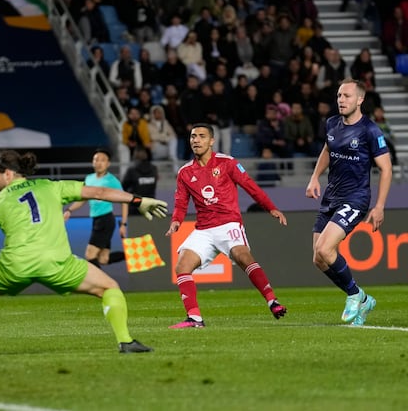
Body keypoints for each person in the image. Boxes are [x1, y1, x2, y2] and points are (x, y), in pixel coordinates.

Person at [0, 150, 168, 356]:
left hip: (14, 266)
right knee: (109, 287)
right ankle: (125, 341)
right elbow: (100, 193)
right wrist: (138, 200)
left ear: (8, 173)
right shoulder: (51, 186)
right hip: (58, 264)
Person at [165, 124, 289, 328]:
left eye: (201, 136)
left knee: (242, 255)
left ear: (211, 141)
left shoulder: (227, 163)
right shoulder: (185, 172)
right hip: (203, 229)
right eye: (193, 136)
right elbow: (180, 202)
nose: (196, 140)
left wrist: (271, 208)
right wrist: (176, 221)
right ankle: (195, 318)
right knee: (182, 266)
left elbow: (251, 186)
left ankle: (272, 301)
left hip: (228, 223)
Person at [305, 79, 392, 326]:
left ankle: (356, 295)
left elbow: (386, 169)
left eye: (347, 96)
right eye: (339, 96)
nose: (341, 100)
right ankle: (362, 300)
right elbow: (327, 150)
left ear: (360, 100)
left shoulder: (370, 131)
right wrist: (314, 177)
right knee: (318, 259)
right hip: (330, 197)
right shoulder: (332, 123)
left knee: (324, 249)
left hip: (355, 199)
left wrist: (379, 206)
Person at [64, 149, 129, 268]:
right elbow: (83, 199)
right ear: (92, 162)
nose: (99, 163)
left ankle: (103, 285)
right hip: (96, 220)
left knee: (90, 255)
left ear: (108, 164)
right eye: (96, 160)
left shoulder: (112, 181)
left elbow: (125, 201)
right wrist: (69, 210)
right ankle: (130, 255)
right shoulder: (89, 179)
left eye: (102, 160)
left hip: (105, 220)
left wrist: (124, 224)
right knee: (104, 259)